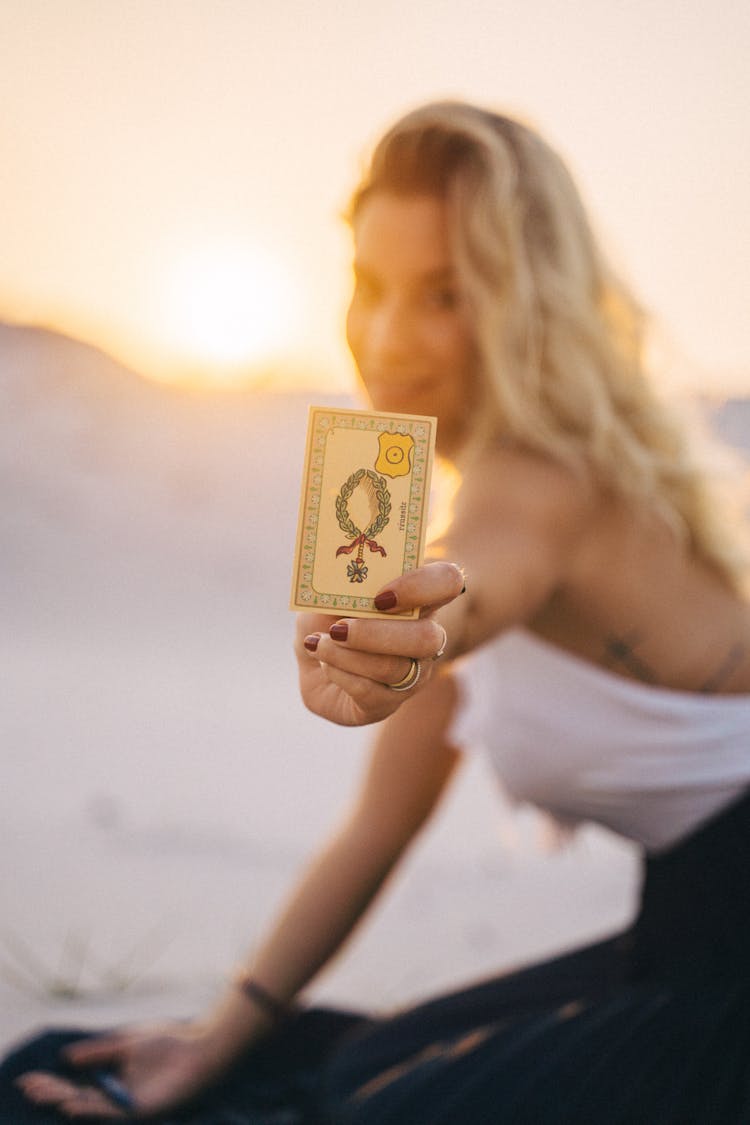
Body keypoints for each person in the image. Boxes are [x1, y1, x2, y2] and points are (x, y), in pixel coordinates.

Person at [3, 100, 750, 1123]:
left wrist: (413, 627)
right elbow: (377, 828)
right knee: (338, 1072)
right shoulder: (500, 484)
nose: (390, 338)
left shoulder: (541, 484)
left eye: (444, 294)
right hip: (687, 942)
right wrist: (212, 1039)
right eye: (371, 287)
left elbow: (473, 582)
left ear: (525, 302)